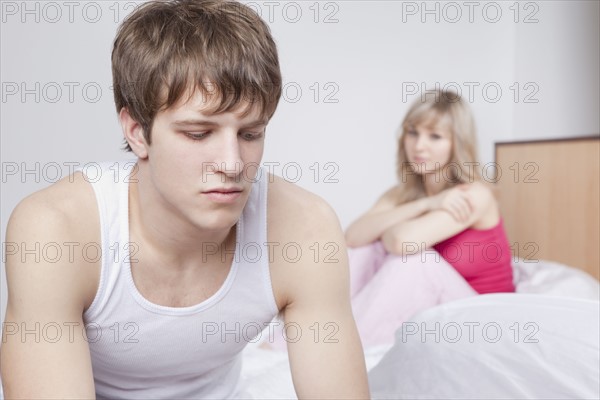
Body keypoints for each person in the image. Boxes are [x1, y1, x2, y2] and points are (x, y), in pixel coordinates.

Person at [0, 1, 369, 398]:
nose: (232, 164)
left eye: (250, 134)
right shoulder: (56, 230)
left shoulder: (304, 228)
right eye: (198, 133)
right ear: (137, 131)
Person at [344, 89, 515, 347]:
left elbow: (403, 243)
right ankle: (313, 332)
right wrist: (425, 203)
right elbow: (353, 237)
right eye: (413, 132)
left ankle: (343, 346)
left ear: (457, 143)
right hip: (440, 312)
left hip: (483, 317)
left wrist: (391, 228)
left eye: (434, 136)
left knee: (416, 260)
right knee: (366, 249)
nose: (419, 146)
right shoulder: (402, 194)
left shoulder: (475, 195)